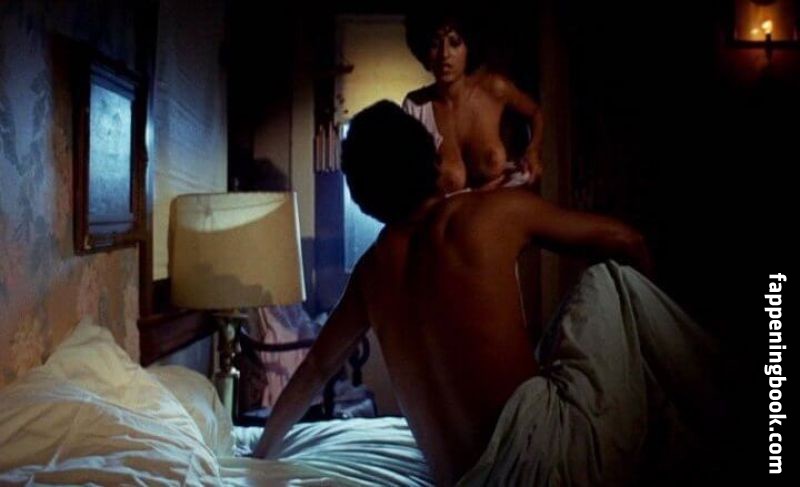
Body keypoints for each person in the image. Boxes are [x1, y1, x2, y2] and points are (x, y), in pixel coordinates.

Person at [255, 101, 722, 486]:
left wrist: (260, 454)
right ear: (427, 158)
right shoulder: (489, 215)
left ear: (363, 192)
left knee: (559, 357)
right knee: (609, 281)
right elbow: (627, 240)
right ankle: (730, 409)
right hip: (553, 462)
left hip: (468, 479)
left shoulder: (372, 271)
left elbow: (315, 369)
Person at [403, 9, 544, 193]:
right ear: (424, 50)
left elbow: (535, 113)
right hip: (450, 212)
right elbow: (410, 185)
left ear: (469, 46)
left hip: (502, 207)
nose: (445, 54)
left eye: (455, 43)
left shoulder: (494, 89)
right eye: (435, 44)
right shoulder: (415, 107)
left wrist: (533, 151)